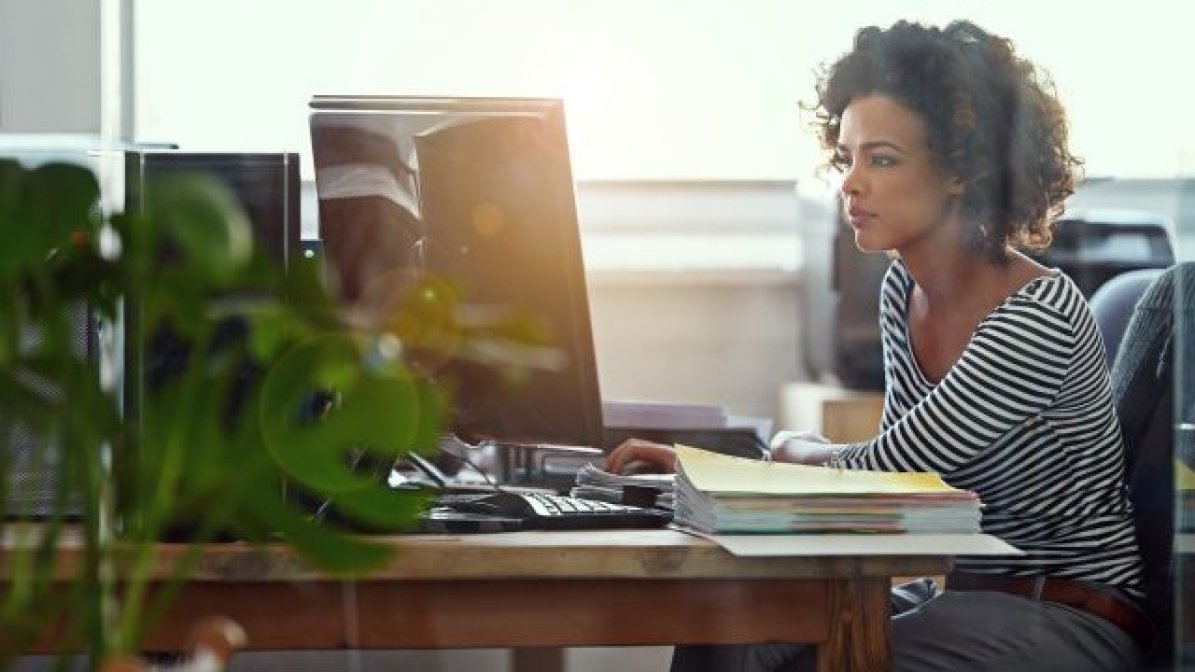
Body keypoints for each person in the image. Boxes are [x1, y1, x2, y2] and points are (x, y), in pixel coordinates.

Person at [606, 19, 1149, 672]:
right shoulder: (903, 288)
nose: (849, 184)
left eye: (882, 159)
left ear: (962, 168)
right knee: (725, 634)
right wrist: (715, 470)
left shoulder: (1035, 314)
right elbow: (884, 497)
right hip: (957, 593)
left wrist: (760, 457)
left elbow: (890, 481)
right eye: (847, 157)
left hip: (1062, 614)